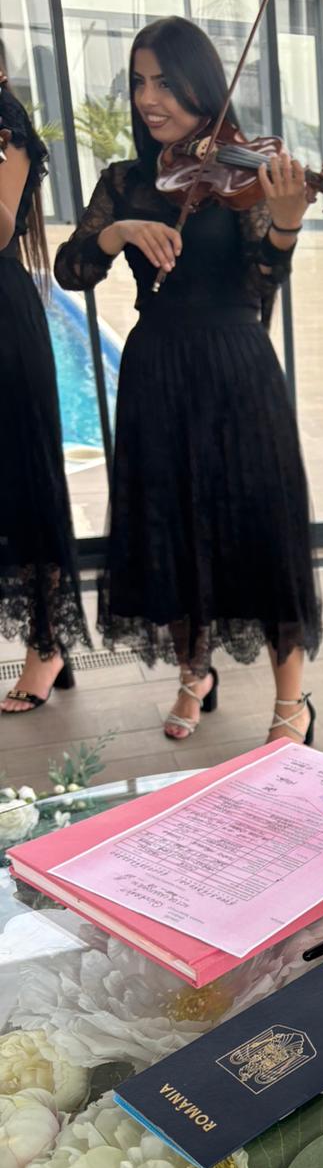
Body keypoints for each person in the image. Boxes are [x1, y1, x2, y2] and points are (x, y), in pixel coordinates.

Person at [54, 17, 321, 745]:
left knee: (261, 524)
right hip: (156, 368)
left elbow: (260, 285)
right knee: (169, 522)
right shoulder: (125, 181)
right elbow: (71, 269)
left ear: (202, 86)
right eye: (140, 83)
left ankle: (291, 701)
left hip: (236, 365)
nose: (149, 98)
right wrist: (116, 233)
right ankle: (194, 672)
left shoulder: (247, 173)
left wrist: (286, 224)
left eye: (166, 83)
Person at [0, 50, 90, 713]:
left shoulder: (6, 120)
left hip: (2, 322)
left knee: (24, 486)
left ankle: (47, 645)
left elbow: (1, 226)